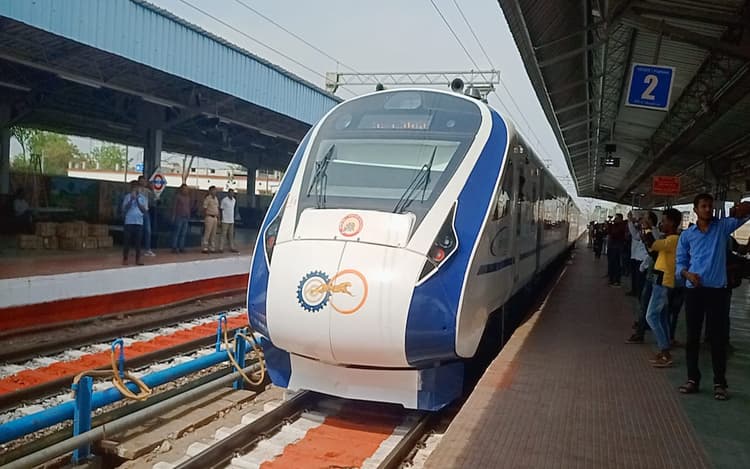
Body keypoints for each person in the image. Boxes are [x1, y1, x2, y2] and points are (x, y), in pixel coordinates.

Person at [676, 194, 750, 400]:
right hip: (694, 291)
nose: (708, 209)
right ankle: (692, 379)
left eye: (710, 206)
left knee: (718, 339)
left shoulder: (722, 227)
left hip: (717, 292)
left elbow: (745, 215)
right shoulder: (687, 235)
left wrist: (742, 207)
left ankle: (720, 383)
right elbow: (680, 262)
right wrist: (687, 274)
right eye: (704, 206)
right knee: (692, 338)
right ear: (695, 209)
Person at [642, 209, 682, 368]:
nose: (661, 224)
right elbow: (654, 252)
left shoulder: (673, 239)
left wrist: (647, 229)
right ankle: (665, 349)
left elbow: (653, 244)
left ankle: (665, 352)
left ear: (672, 222)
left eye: (664, 221)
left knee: (651, 316)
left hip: (664, 282)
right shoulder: (668, 239)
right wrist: (646, 234)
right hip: (659, 280)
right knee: (663, 317)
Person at [122, 180, 148, 266]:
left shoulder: (143, 198)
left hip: (139, 222)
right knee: (127, 241)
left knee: (138, 242)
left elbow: (144, 210)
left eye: (137, 187)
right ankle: (125, 259)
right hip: (129, 221)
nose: (135, 189)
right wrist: (131, 200)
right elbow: (125, 209)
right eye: (133, 187)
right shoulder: (127, 197)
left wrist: (137, 200)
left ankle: (138, 259)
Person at [607, 214, 627, 286]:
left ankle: (617, 280)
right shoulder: (614, 225)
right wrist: (610, 223)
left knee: (617, 264)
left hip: (618, 247)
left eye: (616, 218)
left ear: (620, 219)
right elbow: (609, 232)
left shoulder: (622, 226)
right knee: (612, 264)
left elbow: (615, 234)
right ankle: (611, 279)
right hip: (612, 247)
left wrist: (612, 225)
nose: (615, 219)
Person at [138, 176, 156, 257]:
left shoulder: (147, 191)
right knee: (139, 230)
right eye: (141, 181)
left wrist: (152, 189)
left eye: (144, 181)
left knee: (148, 230)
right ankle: (138, 248)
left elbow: (154, 198)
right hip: (138, 212)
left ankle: (147, 249)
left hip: (146, 211)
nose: (143, 182)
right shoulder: (137, 190)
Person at [171, 184, 191, 253]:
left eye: (187, 189)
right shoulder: (178, 197)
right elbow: (174, 206)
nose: (186, 190)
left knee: (183, 233)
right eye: (184, 189)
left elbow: (188, 207)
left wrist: (189, 214)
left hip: (186, 217)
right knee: (177, 232)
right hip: (179, 216)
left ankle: (181, 247)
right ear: (181, 189)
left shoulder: (188, 197)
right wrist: (173, 216)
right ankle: (174, 247)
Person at [219, 189, 239, 253]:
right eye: (230, 193)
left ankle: (232, 247)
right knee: (223, 234)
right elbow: (221, 209)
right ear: (228, 193)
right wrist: (221, 219)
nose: (231, 194)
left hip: (231, 220)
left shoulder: (234, 200)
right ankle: (221, 248)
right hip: (225, 220)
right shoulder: (224, 200)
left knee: (231, 235)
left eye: (232, 193)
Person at [202, 185, 220, 253]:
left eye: (215, 190)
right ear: (210, 191)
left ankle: (212, 247)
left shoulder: (216, 199)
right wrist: (205, 217)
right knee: (207, 233)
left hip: (215, 217)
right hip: (209, 217)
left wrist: (218, 218)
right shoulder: (207, 198)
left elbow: (217, 208)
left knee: (213, 233)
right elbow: (204, 208)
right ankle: (205, 247)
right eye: (213, 190)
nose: (215, 191)